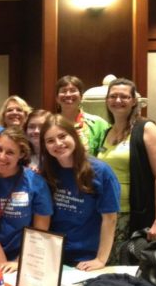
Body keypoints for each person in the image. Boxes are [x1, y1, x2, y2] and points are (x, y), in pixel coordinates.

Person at [41, 114, 119, 271]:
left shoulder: (101, 171)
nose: (58, 143)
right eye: (50, 141)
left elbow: (109, 219)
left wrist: (100, 259)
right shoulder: (48, 171)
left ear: (74, 136)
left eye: (63, 136)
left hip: (87, 258)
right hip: (54, 255)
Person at [97, 78, 156, 262]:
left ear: (134, 101)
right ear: (107, 100)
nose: (118, 100)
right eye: (113, 96)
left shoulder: (146, 128)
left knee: (129, 267)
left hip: (135, 214)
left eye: (124, 97)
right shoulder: (106, 132)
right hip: (108, 213)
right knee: (109, 266)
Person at [0, 127, 53, 273]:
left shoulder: (35, 183)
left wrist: (20, 261)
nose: (2, 156)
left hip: (26, 257)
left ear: (22, 154)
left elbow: (40, 231)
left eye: (10, 152)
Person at [56, 75, 109, 156]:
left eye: (73, 90)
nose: (68, 95)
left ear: (81, 96)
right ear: (56, 98)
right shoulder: (50, 123)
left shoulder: (98, 123)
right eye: (63, 91)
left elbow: (106, 148)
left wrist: (98, 154)